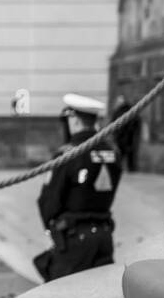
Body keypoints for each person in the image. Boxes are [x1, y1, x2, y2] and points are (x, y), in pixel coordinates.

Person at [33, 93, 122, 282]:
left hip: (74, 240)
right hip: (104, 236)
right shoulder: (112, 151)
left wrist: (53, 230)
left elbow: (49, 200)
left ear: (74, 120)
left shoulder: (68, 154)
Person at [110, 94, 140, 172]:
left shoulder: (119, 112)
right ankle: (130, 169)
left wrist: (117, 134)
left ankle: (120, 169)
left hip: (123, 138)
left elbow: (114, 123)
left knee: (121, 156)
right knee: (129, 157)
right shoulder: (131, 111)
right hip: (129, 138)